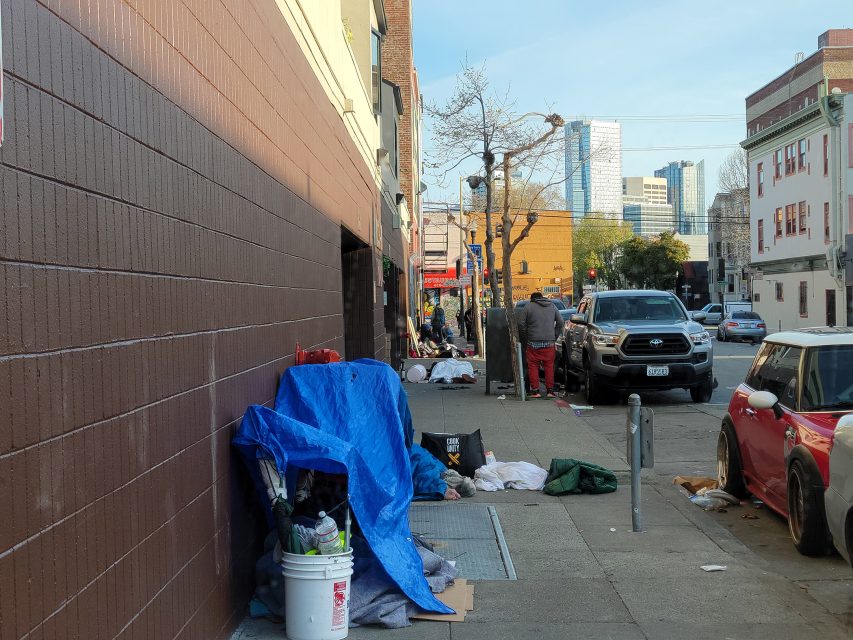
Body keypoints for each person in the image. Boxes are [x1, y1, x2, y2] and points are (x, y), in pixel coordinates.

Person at [517, 292, 562, 398]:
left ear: (532, 299)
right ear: (542, 298)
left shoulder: (528, 306)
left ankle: (535, 391)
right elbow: (560, 322)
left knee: (533, 366)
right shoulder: (552, 306)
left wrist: (527, 335)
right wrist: (554, 336)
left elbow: (521, 323)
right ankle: (550, 391)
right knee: (549, 366)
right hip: (549, 342)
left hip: (533, 342)